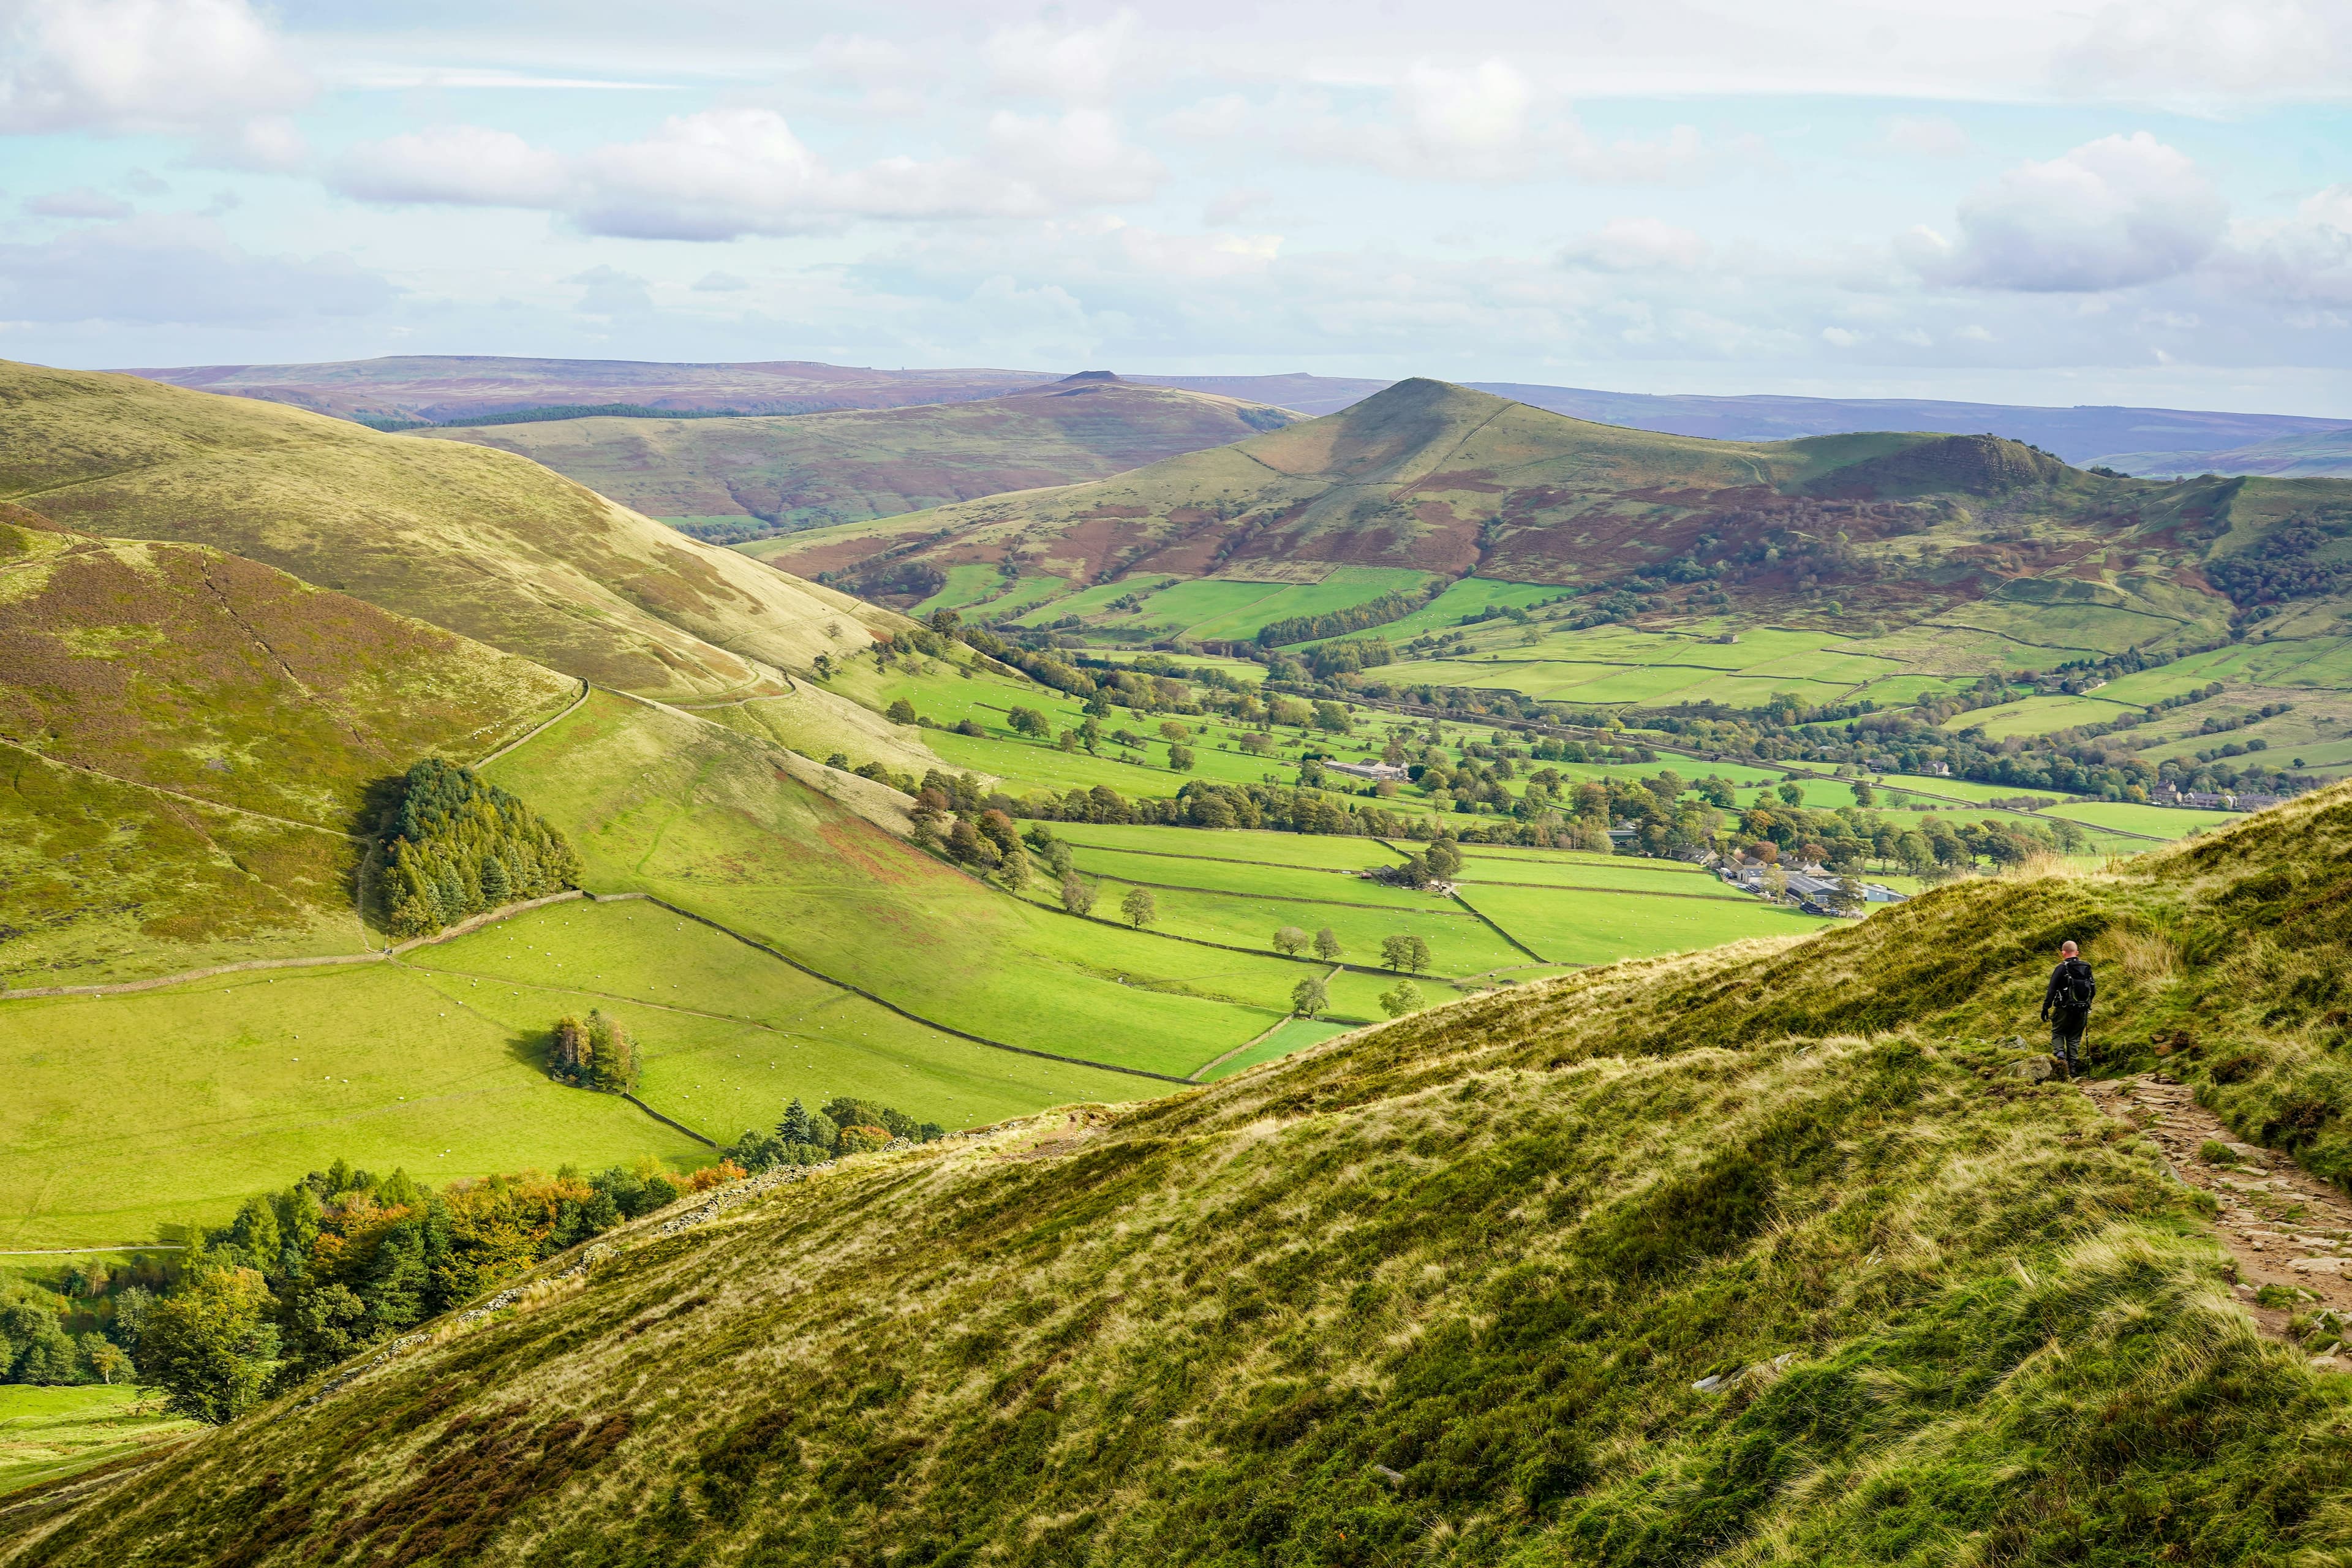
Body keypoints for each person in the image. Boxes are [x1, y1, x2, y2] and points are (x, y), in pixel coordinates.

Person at [2040, 940, 2095, 1080]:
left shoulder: (2061, 968)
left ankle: (2060, 1059)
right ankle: (2073, 1067)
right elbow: (2093, 990)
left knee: (2058, 1032)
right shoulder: (2086, 967)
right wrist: (2086, 1004)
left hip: (2064, 1008)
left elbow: (2051, 989)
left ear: (2063, 953)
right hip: (2083, 1009)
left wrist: (2046, 1007)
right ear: (2077, 952)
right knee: (2074, 1037)